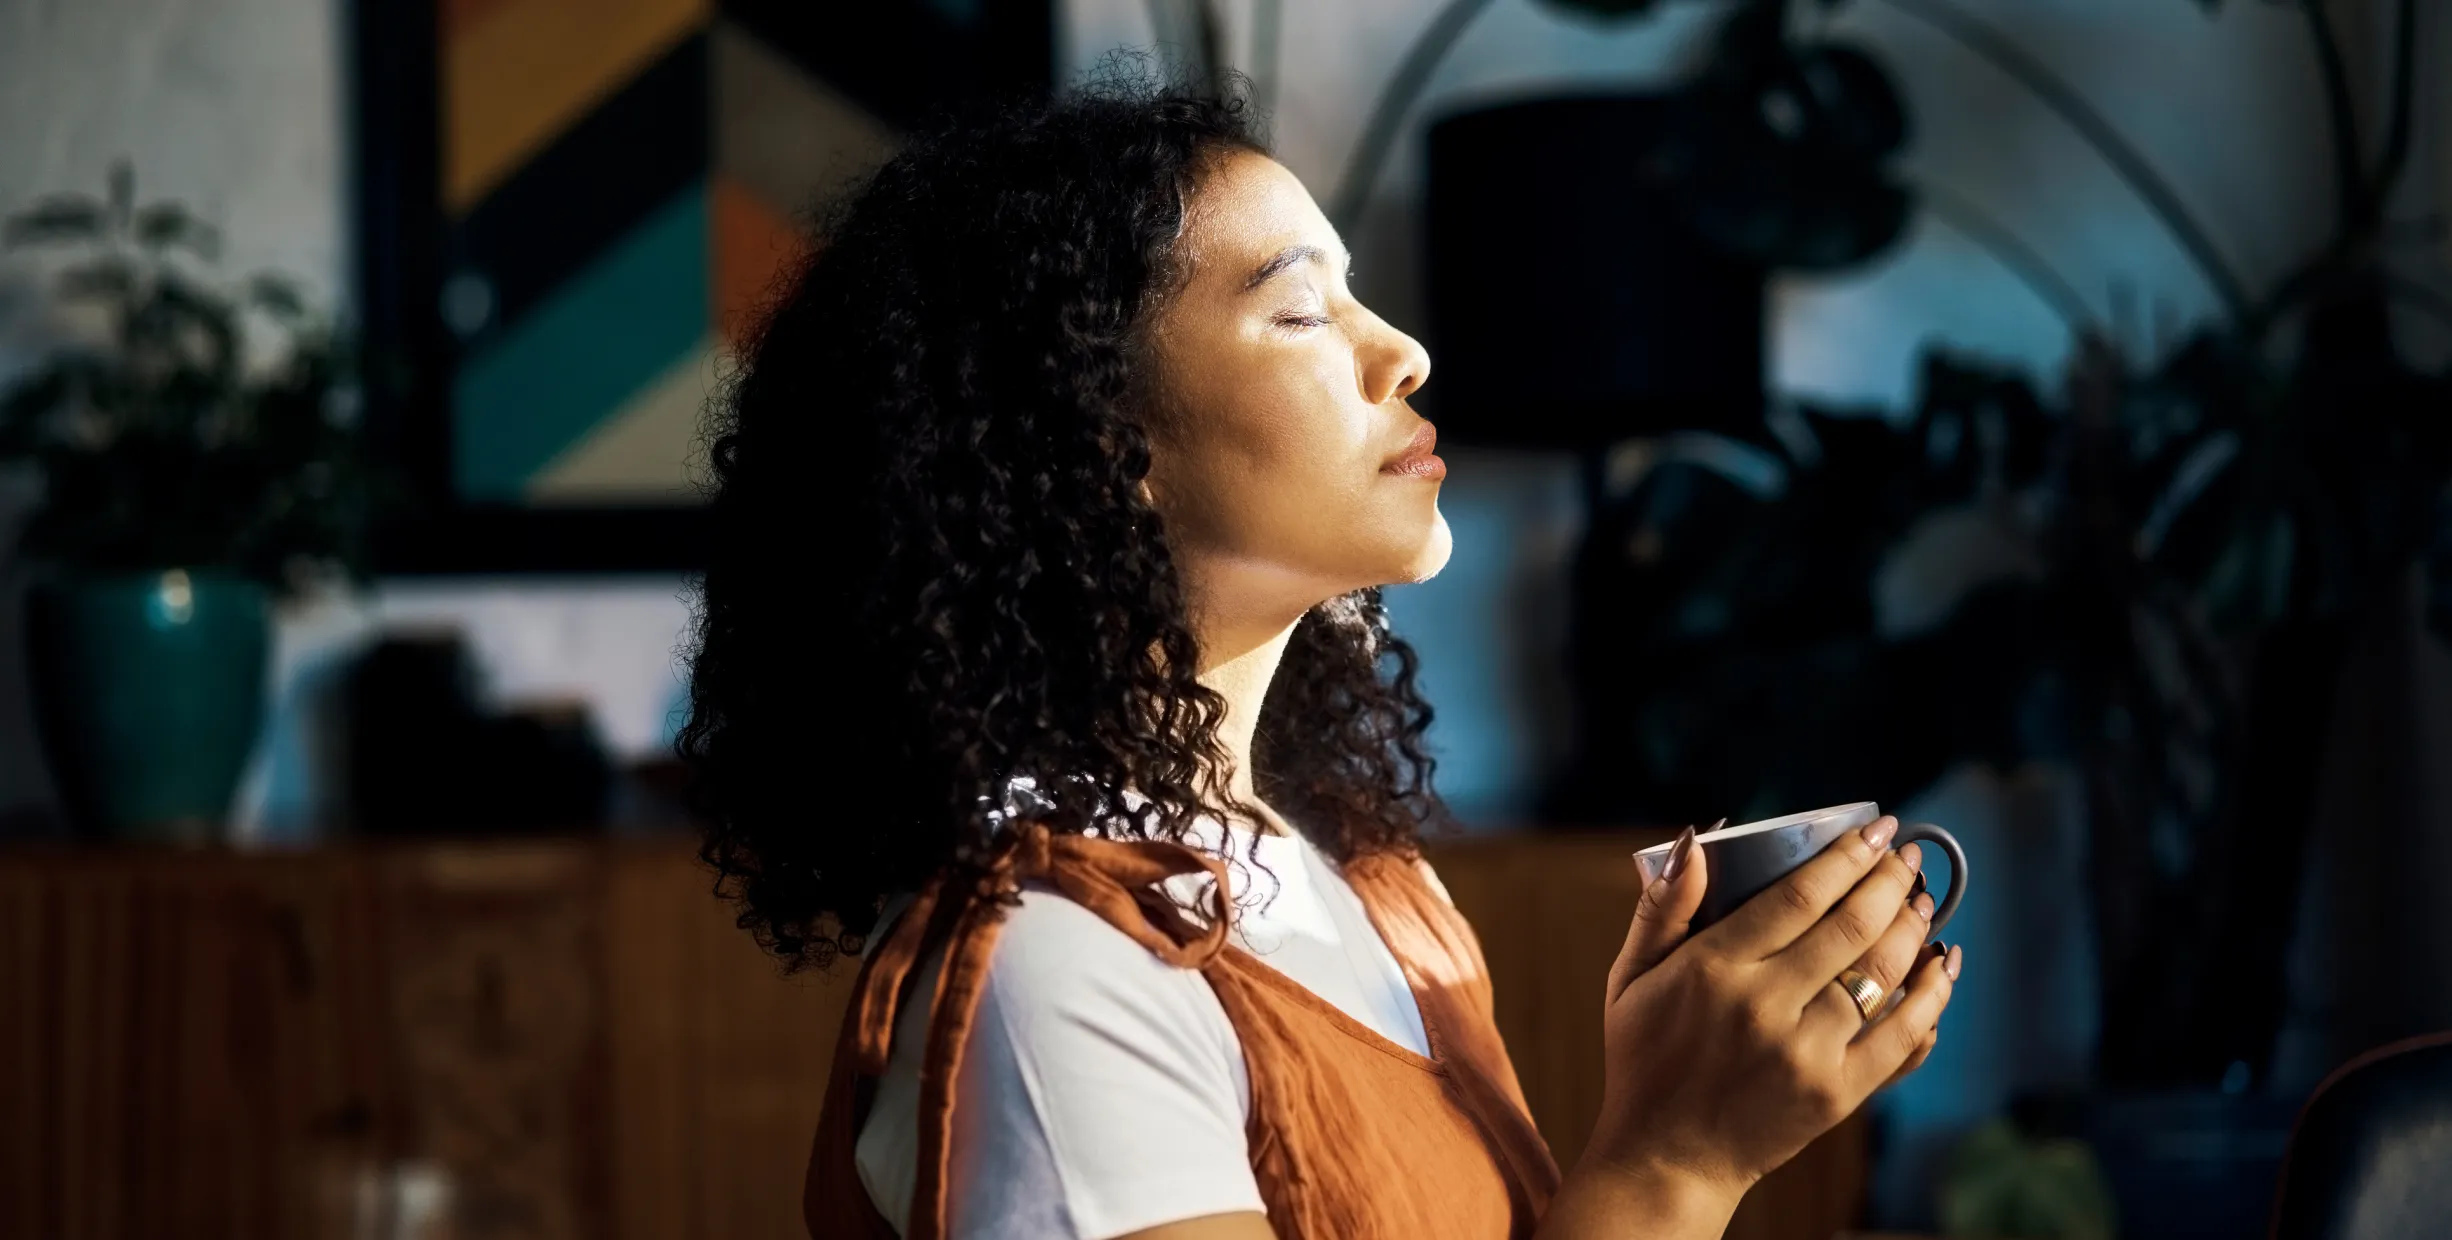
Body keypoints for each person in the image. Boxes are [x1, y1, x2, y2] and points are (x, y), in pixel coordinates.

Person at [676, 74, 1960, 1240]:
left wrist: (1691, 1099)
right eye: (1300, 311)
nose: (1402, 352)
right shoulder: (1051, 977)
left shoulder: (1371, 897)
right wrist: (1676, 1159)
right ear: (1098, 444)